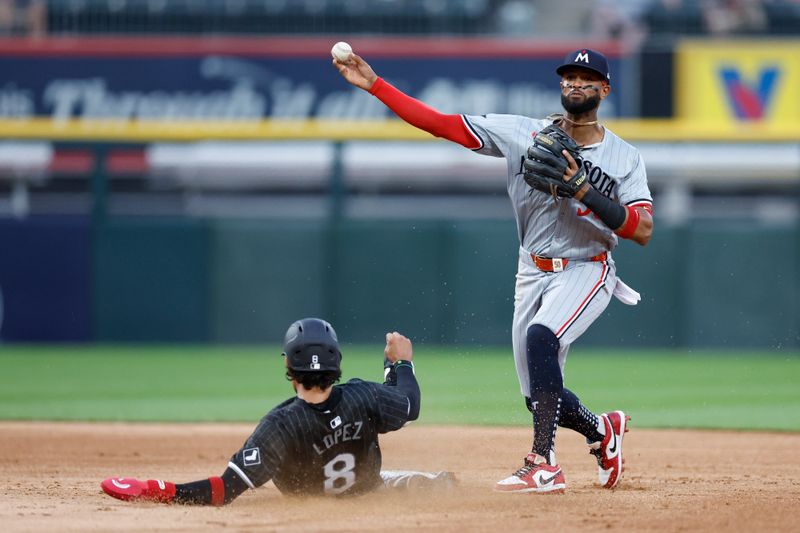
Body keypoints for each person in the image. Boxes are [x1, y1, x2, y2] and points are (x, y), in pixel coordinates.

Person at [333, 48, 653, 493]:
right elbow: (441, 124)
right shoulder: (523, 132)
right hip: (532, 268)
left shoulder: (623, 157)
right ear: (561, 86)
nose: (576, 84)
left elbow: (642, 229)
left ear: (605, 88)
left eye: (587, 77)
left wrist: (583, 190)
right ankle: (602, 431)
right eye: (569, 77)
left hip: (587, 266)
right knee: (538, 392)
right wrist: (375, 85)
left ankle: (543, 463)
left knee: (543, 337)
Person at [101, 318, 454, 504]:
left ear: (289, 366)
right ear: (337, 362)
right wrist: (399, 364)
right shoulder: (363, 396)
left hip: (311, 505)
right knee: (413, 482)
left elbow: (222, 491)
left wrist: (155, 488)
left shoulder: (280, 425)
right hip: (365, 492)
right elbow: (409, 405)